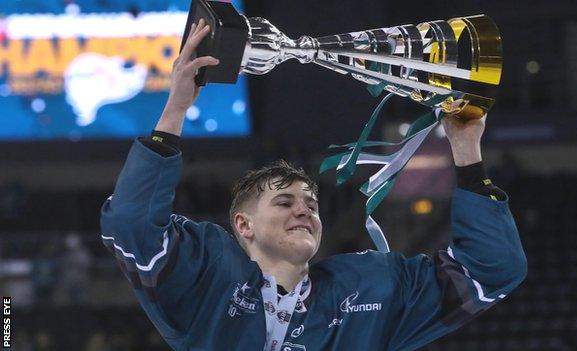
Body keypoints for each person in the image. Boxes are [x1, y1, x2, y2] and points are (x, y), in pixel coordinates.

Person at [100, 19, 527, 351]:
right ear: (243, 225)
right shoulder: (207, 278)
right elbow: (131, 223)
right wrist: (176, 107)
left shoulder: (370, 288)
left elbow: (493, 269)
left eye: (310, 203)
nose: (304, 210)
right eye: (284, 202)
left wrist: (466, 149)